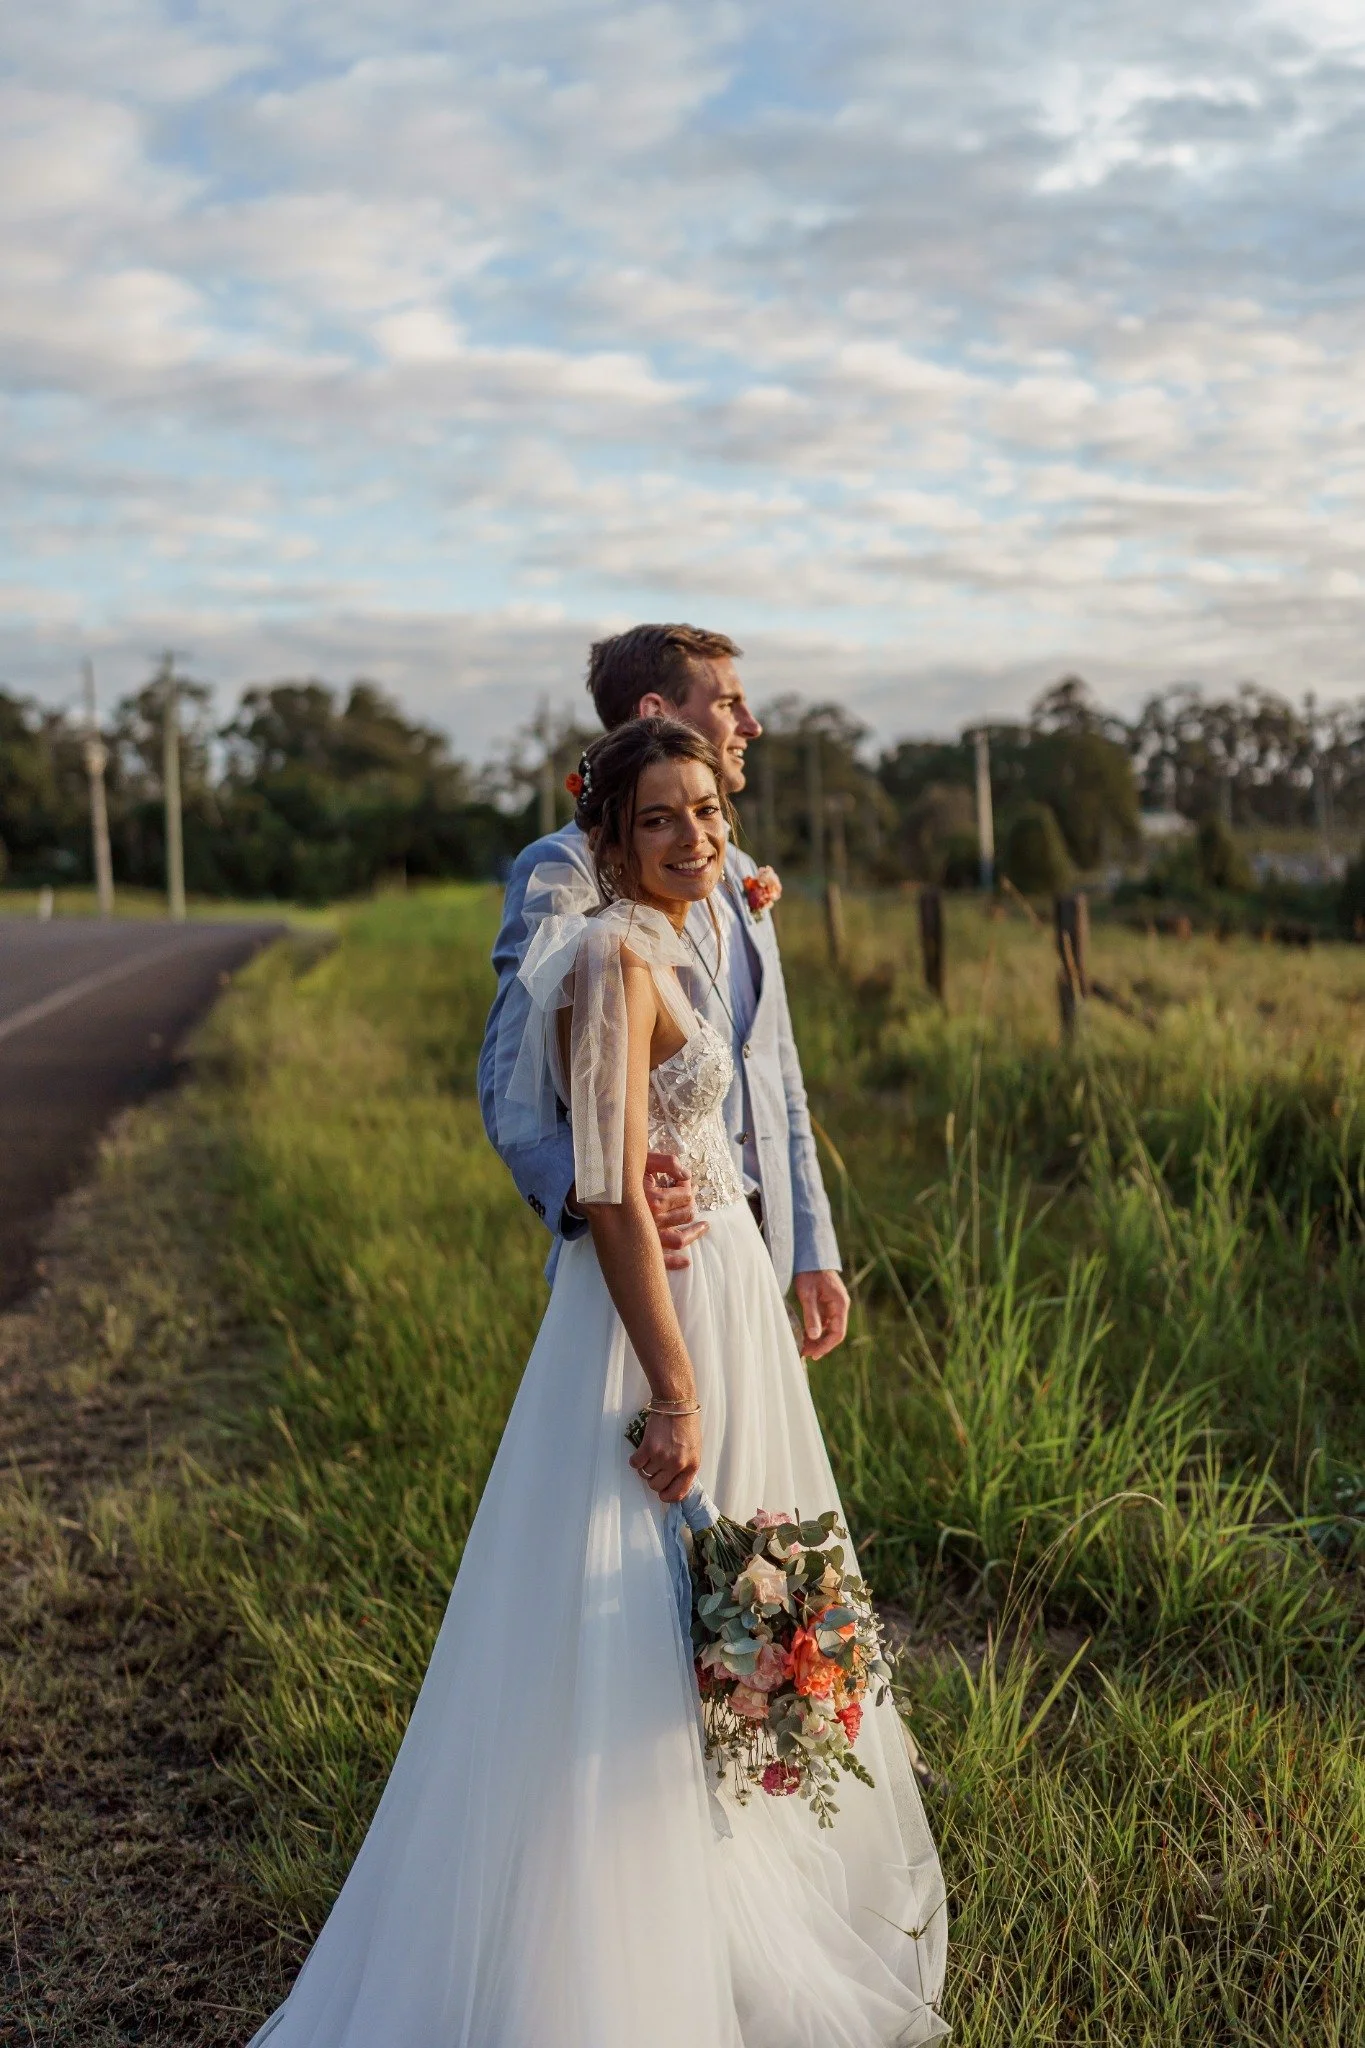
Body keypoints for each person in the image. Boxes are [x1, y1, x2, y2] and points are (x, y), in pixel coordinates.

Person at [247, 718, 947, 2048]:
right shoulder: (619, 957)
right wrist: (673, 1389)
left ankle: (727, 1892)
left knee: (722, 1590)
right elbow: (619, 1193)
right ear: (608, 841)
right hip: (662, 1320)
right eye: (663, 819)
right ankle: (614, 1957)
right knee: (634, 1604)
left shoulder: (684, 931)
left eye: (708, 811)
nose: (700, 835)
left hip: (726, 1289)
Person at [478, 623, 850, 1361]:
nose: (751, 725)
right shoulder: (564, 868)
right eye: (729, 705)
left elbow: (775, 1068)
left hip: (754, 1255)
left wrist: (811, 1244)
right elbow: (507, 1078)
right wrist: (592, 1187)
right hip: (654, 1261)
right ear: (655, 711)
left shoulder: (733, 864)